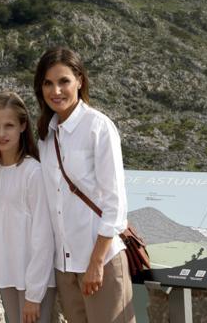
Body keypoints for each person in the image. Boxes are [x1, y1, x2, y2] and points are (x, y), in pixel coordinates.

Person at [33, 47, 135, 323]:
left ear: (80, 80)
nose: (56, 91)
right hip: (65, 267)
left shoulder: (98, 127)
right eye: (48, 83)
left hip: (99, 262)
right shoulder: (45, 135)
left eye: (64, 81)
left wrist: (96, 263)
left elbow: (115, 203)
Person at [0, 91, 56, 323]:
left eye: (9, 125)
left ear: (23, 125)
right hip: (6, 276)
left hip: (35, 282)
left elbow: (44, 238)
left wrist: (34, 296)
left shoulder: (34, 172)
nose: (1, 134)